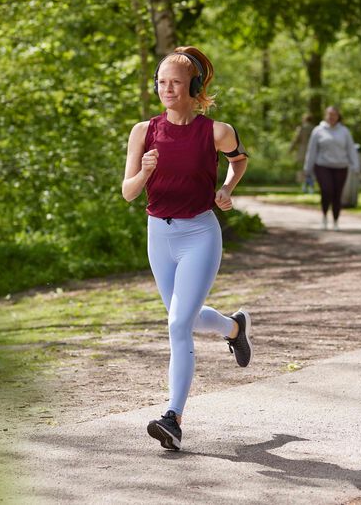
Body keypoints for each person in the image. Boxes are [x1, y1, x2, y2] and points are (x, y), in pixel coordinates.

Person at [122, 46, 252, 452]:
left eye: (176, 82)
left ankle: (172, 418)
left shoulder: (215, 131)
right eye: (161, 82)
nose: (167, 89)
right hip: (158, 235)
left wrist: (227, 188)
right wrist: (143, 171)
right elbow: (128, 194)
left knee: (178, 325)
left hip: (199, 234)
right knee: (187, 320)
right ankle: (234, 327)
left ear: (194, 86)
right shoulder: (143, 131)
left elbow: (239, 160)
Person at [303, 106, 360, 231]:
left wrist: (355, 166)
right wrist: (307, 168)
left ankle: (335, 220)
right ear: (325, 116)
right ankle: (324, 216)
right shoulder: (318, 131)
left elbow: (351, 149)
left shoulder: (344, 131)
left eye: (334, 114)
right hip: (322, 165)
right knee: (327, 190)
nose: (331, 117)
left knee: (337, 194)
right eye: (329, 114)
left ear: (338, 116)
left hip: (341, 166)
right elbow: (311, 150)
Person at [289, 113, 316, 193]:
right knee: (310, 170)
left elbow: (296, 140)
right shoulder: (315, 128)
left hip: (303, 151)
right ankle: (310, 186)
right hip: (313, 151)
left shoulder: (302, 128)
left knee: (304, 169)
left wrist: (291, 149)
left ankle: (305, 186)